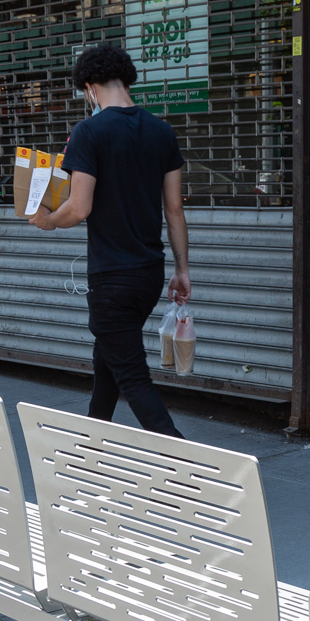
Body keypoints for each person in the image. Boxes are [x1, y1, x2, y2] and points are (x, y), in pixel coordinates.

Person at [29, 44, 189, 438]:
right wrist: (183, 270)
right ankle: (92, 445)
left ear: (89, 88)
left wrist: (48, 221)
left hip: (112, 279)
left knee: (132, 378)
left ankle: (194, 468)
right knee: (108, 362)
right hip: (149, 274)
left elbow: (79, 207)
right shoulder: (161, 131)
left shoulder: (88, 132)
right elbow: (174, 211)